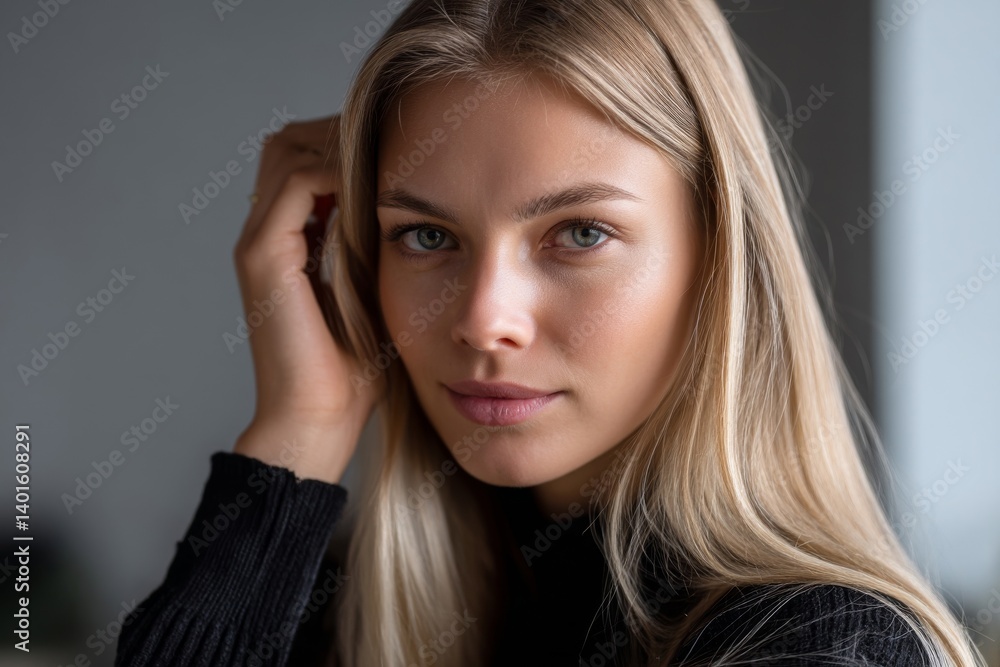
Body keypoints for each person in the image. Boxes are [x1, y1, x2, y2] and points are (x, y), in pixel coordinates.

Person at [115, 0, 986, 665]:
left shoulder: (813, 646)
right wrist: (297, 434)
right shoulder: (328, 611)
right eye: (426, 235)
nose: (483, 318)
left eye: (579, 233)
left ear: (718, 257)